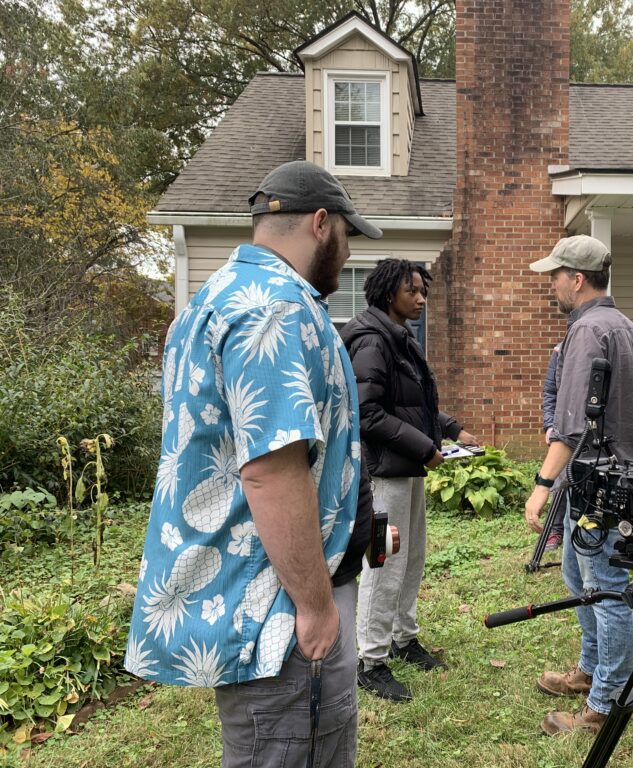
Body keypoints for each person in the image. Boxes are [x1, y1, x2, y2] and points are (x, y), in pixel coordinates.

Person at [125, 160, 382, 768]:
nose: (347, 256)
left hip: (244, 592)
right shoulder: (277, 309)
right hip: (277, 608)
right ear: (321, 223)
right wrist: (316, 606)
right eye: (348, 237)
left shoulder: (212, 297)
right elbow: (270, 469)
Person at [524, 234, 633, 736]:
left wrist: (541, 485)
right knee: (580, 581)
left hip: (599, 485)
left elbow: (570, 426)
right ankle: (590, 670)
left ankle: (603, 705)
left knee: (605, 592)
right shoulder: (626, 326)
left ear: (576, 280)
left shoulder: (587, 331)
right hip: (610, 482)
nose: (551, 284)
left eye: (555, 275)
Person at [340, 259, 478, 702]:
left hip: (408, 467)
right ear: (388, 295)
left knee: (412, 556)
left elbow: (410, 405)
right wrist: (423, 446)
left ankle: (403, 637)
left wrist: (453, 429)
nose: (420, 299)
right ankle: (371, 660)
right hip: (384, 471)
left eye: (422, 291)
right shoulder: (372, 342)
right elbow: (368, 413)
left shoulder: (399, 338)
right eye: (412, 291)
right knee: (384, 564)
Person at [541, 343, 565, 552]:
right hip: (563, 428)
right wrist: (549, 425)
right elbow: (550, 391)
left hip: (594, 429)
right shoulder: (559, 352)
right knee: (559, 480)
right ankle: (556, 530)